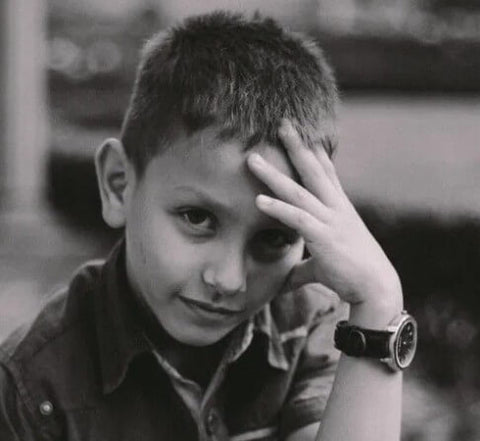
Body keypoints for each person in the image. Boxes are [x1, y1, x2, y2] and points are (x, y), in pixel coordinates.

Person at [0, 11, 415, 441]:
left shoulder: (309, 322)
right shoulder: (32, 386)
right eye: (197, 218)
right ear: (119, 185)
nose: (229, 280)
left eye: (273, 238)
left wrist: (378, 304)